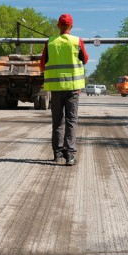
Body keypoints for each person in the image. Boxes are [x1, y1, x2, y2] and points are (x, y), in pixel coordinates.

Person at [41, 14, 88, 166]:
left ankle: (57, 153)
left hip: (55, 89)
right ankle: (70, 156)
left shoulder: (50, 43)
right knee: (71, 120)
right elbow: (85, 59)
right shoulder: (77, 41)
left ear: (58, 26)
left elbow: (42, 64)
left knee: (57, 121)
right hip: (73, 89)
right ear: (71, 26)